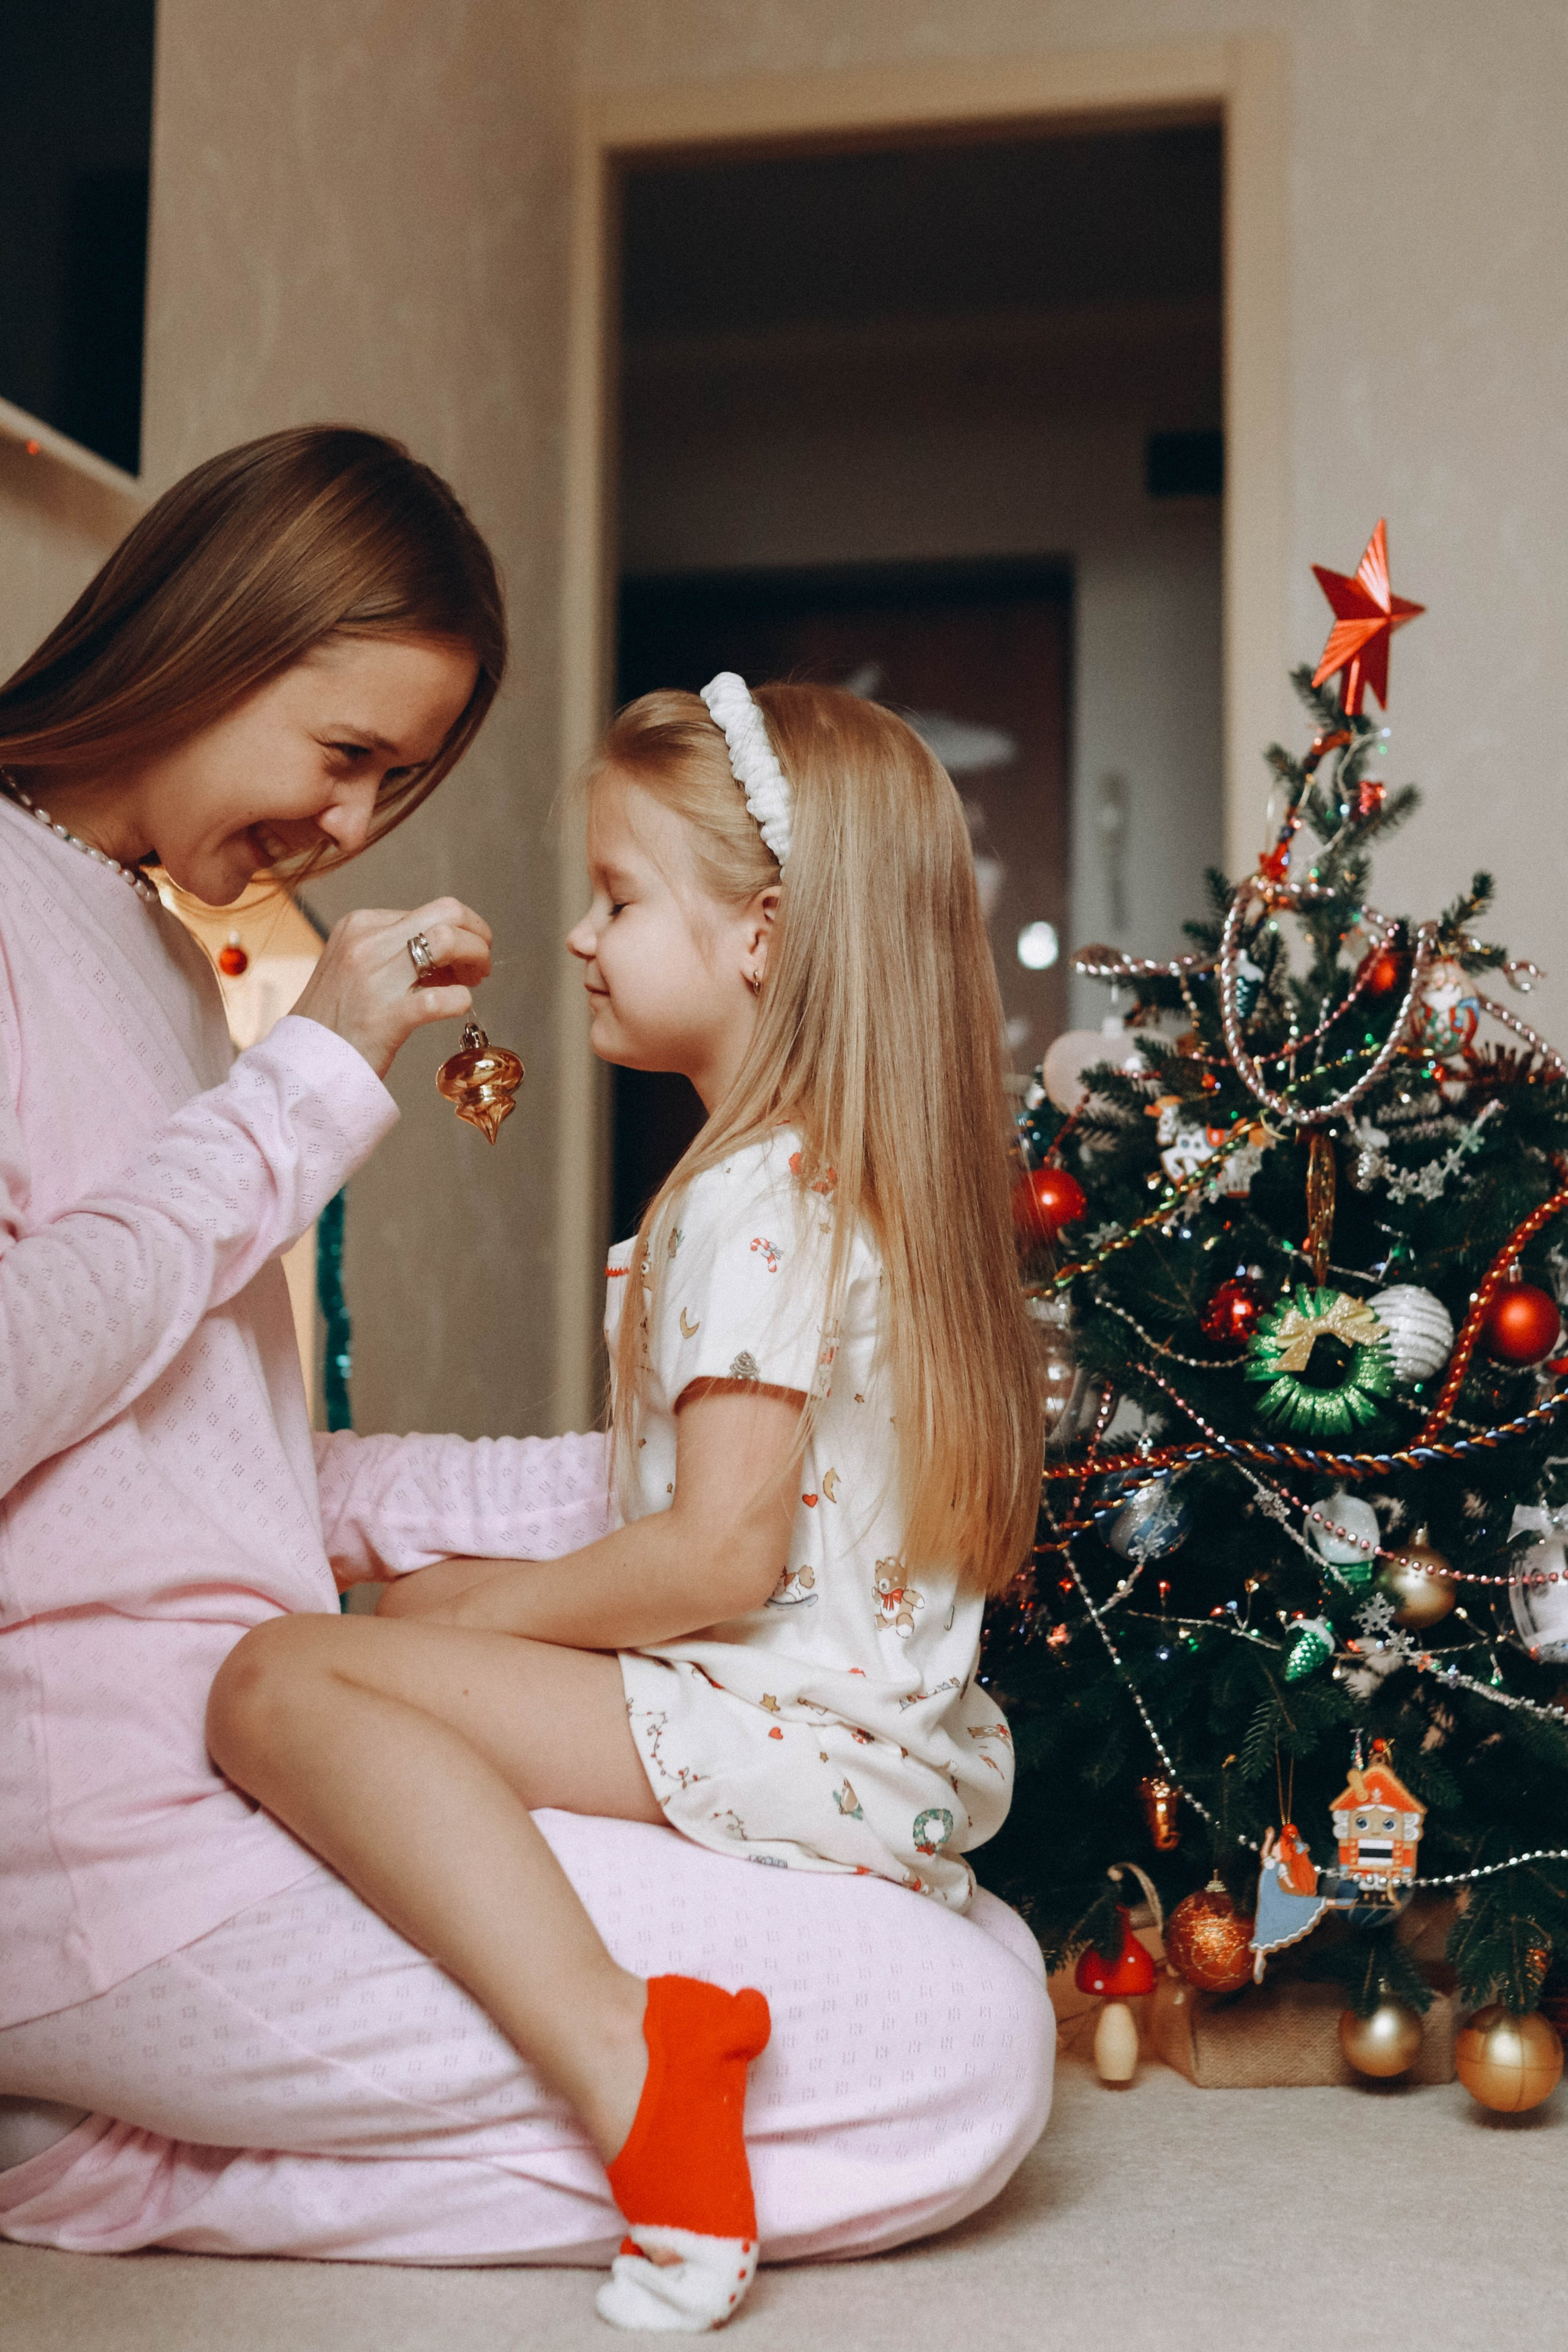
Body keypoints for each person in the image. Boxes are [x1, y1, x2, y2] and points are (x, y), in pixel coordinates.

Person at [0, 434, 1054, 2302]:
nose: (352, 833)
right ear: (218, 636)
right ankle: (200, 2131)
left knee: (978, 1983)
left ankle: (130, 2144)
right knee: (963, 2054)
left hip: (239, 1738)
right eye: (346, 755)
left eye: (394, 782)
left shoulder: (156, 948)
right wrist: (306, 1088)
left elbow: (200, 1452)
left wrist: (531, 1561)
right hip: (112, 1824)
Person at [201, 671, 1047, 2329]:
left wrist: (479, 1610)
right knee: (390, 1636)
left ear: (762, 938)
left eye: (618, 898)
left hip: (774, 1725)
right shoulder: (837, 1179)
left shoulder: (752, 1193)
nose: (580, 937)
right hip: (868, 1741)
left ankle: (633, 2059)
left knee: (276, 1681)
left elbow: (719, 1550)